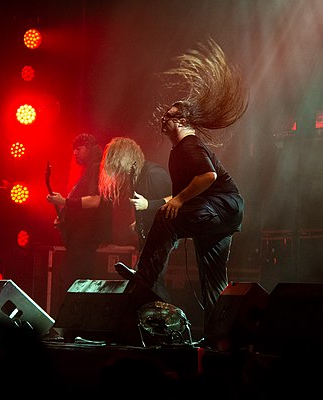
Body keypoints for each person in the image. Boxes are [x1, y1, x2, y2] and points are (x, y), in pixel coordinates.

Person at [114, 38, 249, 333]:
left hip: (219, 207)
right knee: (213, 280)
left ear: (183, 120)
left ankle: (146, 276)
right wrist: (171, 202)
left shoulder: (188, 145)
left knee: (167, 218)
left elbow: (208, 177)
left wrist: (174, 203)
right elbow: (181, 194)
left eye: (171, 114)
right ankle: (219, 337)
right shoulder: (182, 150)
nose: (165, 118)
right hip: (225, 214)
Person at [98, 136, 173, 302]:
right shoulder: (137, 177)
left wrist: (148, 205)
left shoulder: (154, 173)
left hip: (163, 237)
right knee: (146, 282)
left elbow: (176, 198)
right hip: (149, 237)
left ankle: (166, 318)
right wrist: (139, 220)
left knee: (154, 283)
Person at [46, 133, 112, 311]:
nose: (75, 153)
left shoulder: (97, 168)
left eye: (79, 148)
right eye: (74, 149)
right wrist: (64, 216)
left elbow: (96, 200)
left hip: (85, 240)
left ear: (89, 149)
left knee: (71, 279)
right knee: (73, 280)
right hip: (80, 238)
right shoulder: (88, 170)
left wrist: (64, 202)